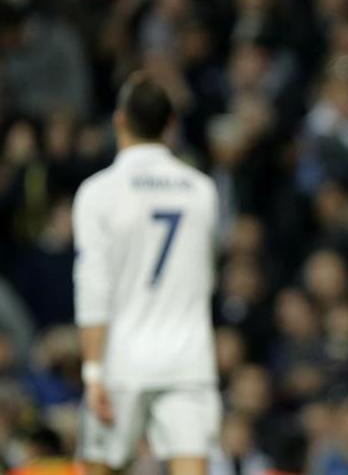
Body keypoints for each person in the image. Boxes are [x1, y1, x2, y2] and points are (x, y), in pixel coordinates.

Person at [73, 73, 221, 475]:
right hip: (188, 356)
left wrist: (92, 371)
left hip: (123, 356)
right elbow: (206, 277)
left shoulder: (98, 192)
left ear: (119, 120)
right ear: (171, 126)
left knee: (98, 466)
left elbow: (94, 286)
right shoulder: (201, 191)